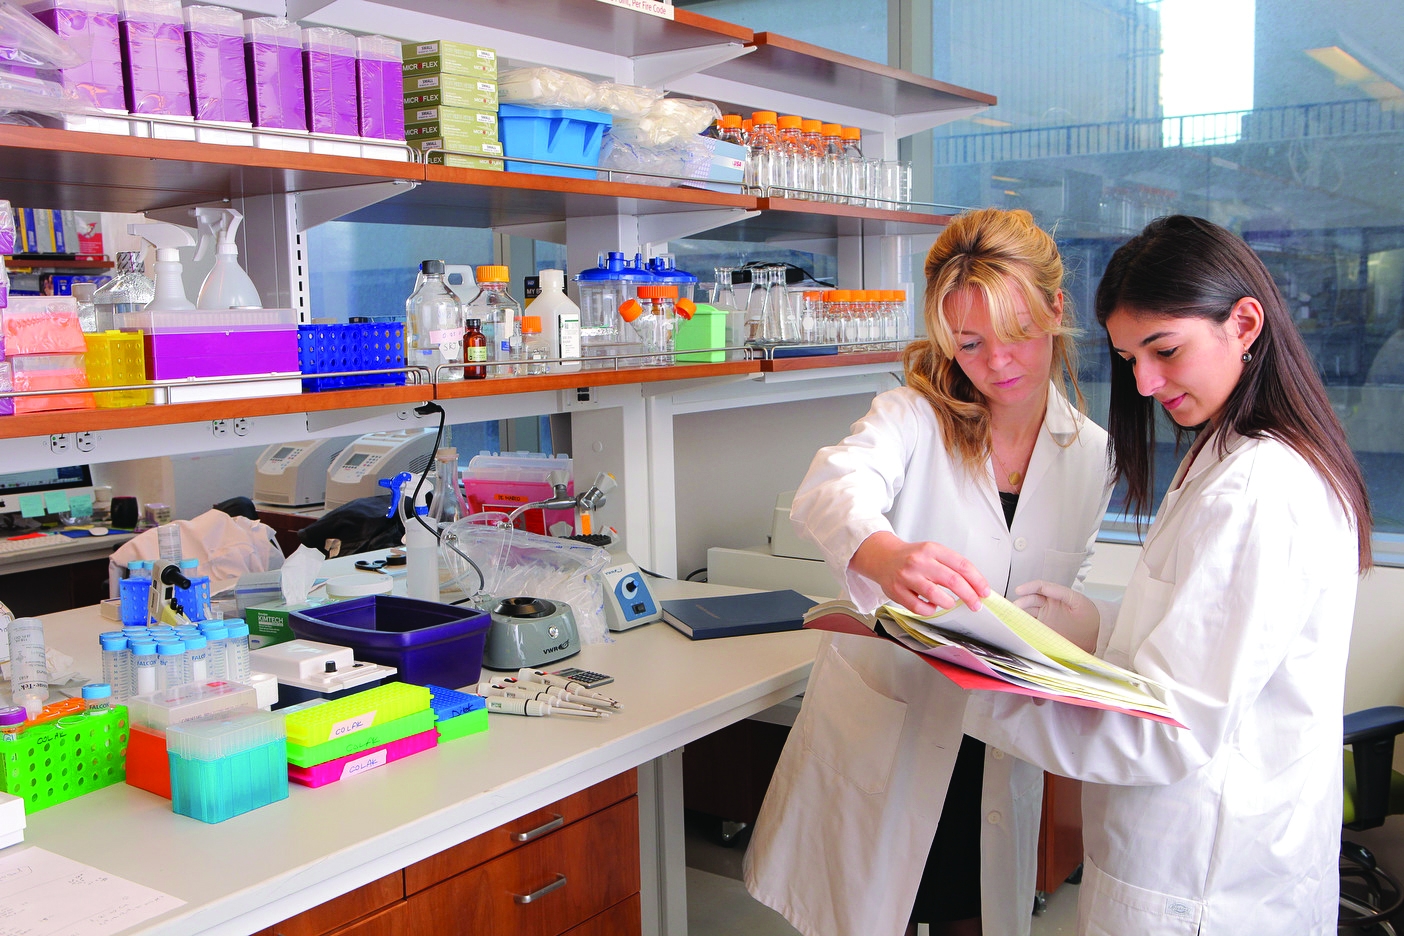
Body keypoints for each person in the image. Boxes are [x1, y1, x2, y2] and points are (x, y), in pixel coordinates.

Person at [965, 214, 1372, 935]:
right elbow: (1212, 636)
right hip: (1209, 855)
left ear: (1244, 323)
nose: (1146, 383)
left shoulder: (1260, 486)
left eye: (1164, 349)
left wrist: (974, 689)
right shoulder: (1229, 450)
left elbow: (1166, 728)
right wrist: (1101, 626)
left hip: (1203, 882)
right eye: (1128, 359)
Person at [743, 207, 1114, 936]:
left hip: (999, 739)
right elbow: (832, 491)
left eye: (1016, 335)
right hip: (894, 731)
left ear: (1055, 309)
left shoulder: (1090, 451)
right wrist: (889, 557)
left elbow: (1068, 579)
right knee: (870, 907)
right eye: (969, 343)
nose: (997, 363)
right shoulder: (911, 416)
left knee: (974, 914)